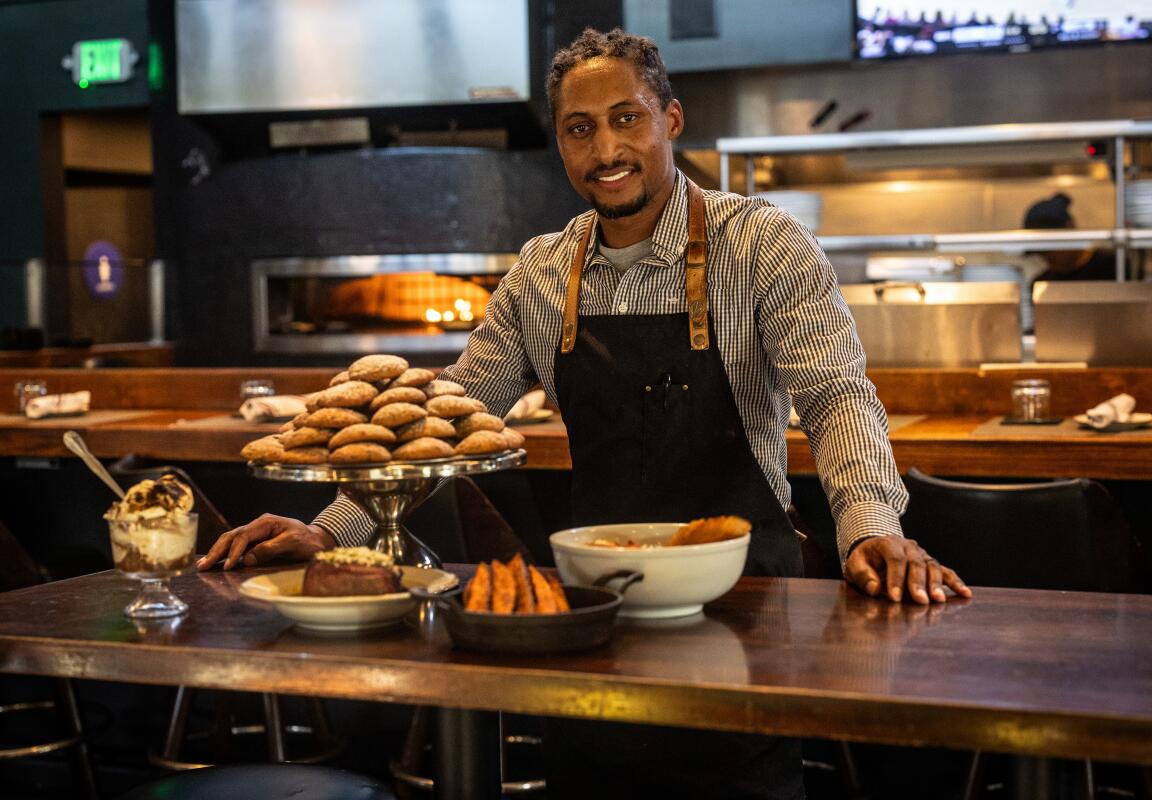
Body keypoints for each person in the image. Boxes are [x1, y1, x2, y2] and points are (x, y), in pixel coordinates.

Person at [199, 27, 970, 798]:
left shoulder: (762, 244)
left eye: (626, 118)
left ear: (670, 119)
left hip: (740, 605)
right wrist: (332, 532)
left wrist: (873, 528)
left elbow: (837, 397)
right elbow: (449, 418)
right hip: (595, 609)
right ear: (562, 147)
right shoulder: (543, 271)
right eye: (580, 129)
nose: (607, 148)